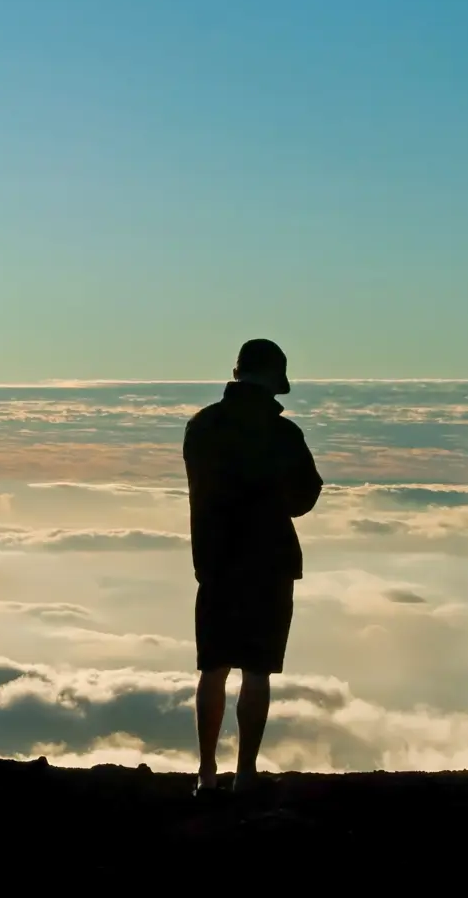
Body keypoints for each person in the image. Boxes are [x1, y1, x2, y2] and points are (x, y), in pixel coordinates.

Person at [183, 338, 322, 795]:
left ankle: (205, 772)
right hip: (269, 562)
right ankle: (245, 773)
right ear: (275, 378)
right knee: (257, 669)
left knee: (213, 668)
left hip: (217, 562)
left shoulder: (201, 426)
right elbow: (305, 496)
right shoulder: (284, 434)